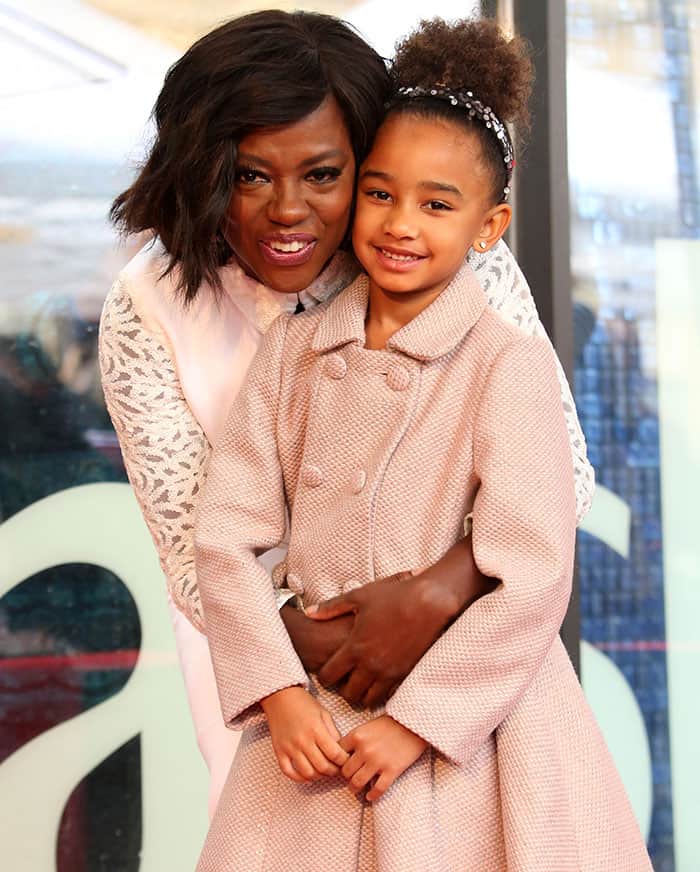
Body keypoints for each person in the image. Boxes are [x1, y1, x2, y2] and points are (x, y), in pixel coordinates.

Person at [99, 10, 594, 821]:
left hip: (464, 669)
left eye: (326, 175)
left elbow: (558, 475)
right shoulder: (147, 311)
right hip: (278, 691)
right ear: (202, 168)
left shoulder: (439, 249)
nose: (287, 210)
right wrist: (313, 652)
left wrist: (434, 595)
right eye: (250, 176)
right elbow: (199, 548)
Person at [194, 16, 651, 872]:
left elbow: (533, 570)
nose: (401, 223)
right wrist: (278, 693)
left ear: (490, 227)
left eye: (437, 204)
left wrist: (417, 724)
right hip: (313, 724)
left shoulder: (504, 365)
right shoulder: (295, 350)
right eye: (379, 192)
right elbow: (223, 535)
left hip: (473, 731)